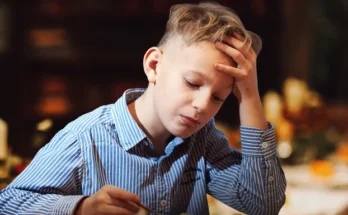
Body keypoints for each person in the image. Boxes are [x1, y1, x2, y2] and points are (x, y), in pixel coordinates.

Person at [0, 2, 286, 215]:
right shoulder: (84, 139)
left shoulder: (204, 140)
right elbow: (9, 203)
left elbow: (262, 203)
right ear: (154, 66)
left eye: (217, 98)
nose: (202, 106)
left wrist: (249, 96)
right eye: (192, 83)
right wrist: (80, 208)